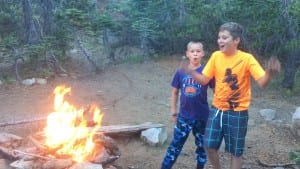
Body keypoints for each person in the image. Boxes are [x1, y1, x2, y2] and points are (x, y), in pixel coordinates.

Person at [184, 22, 281, 169]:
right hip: (217, 110)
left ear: (236, 40)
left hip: (238, 112)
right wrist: (191, 72)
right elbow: (204, 80)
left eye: (224, 37)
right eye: (219, 37)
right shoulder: (216, 56)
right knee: (209, 145)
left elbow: (262, 82)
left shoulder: (247, 59)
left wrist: (268, 73)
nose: (220, 41)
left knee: (235, 152)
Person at [161, 41, 214, 169]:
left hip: (202, 117)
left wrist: (215, 113)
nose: (195, 54)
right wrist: (173, 112)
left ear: (203, 54)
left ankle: (200, 166)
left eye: (198, 51)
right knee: (175, 145)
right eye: (192, 51)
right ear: (187, 54)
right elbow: (174, 92)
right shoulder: (180, 72)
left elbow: (217, 92)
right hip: (184, 117)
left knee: (202, 146)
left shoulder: (207, 71)